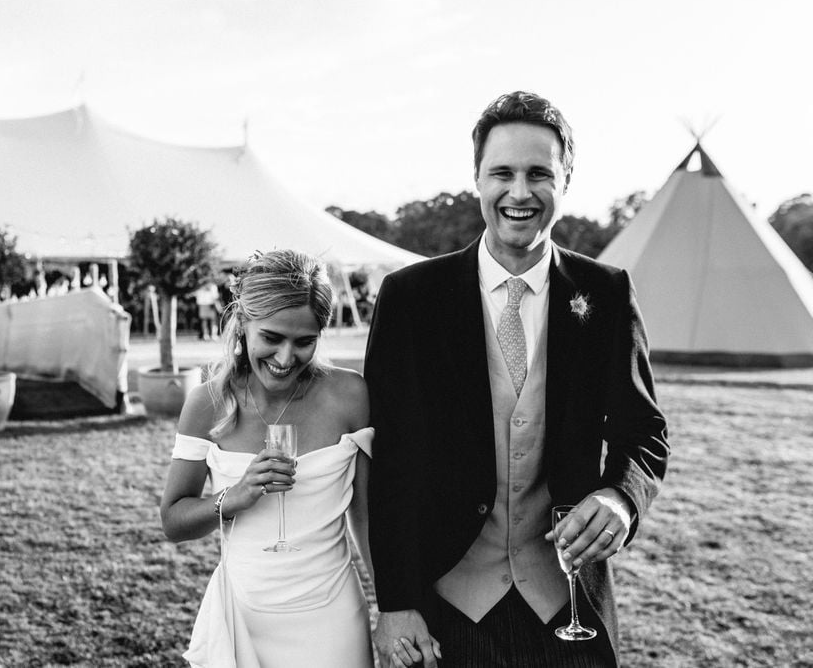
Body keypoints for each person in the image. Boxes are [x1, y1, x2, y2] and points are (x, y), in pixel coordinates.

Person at [364, 91, 670, 667]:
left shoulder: (604, 293)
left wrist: (621, 498)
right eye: (501, 172)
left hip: (570, 603)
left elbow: (644, 431)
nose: (520, 192)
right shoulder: (410, 298)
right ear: (477, 179)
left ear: (565, 180)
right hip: (447, 603)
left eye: (539, 174)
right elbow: (393, 461)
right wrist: (397, 601)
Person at [160, 249, 375, 667]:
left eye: (304, 341)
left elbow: (366, 515)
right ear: (243, 325)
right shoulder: (206, 404)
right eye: (272, 338)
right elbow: (173, 521)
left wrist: (391, 606)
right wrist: (233, 497)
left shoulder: (349, 395)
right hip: (244, 616)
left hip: (331, 620)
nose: (284, 358)